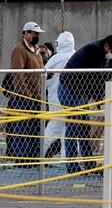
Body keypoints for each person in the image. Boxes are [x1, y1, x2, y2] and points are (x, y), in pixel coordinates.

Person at [58, 35, 112, 174]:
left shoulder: (103, 54)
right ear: (106, 46)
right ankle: (72, 166)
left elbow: (100, 78)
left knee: (83, 127)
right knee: (73, 126)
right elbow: (96, 78)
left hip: (81, 91)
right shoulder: (94, 51)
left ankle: (88, 163)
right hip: (69, 90)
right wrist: (101, 99)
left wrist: (100, 98)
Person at [9, 21, 45, 163]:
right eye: (34, 33)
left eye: (37, 34)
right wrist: (26, 93)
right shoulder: (19, 49)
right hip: (25, 97)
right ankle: (22, 158)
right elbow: (17, 74)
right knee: (22, 128)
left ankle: (33, 157)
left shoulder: (35, 49)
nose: (36, 36)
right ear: (26, 33)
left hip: (37, 96)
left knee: (35, 128)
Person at [43, 32, 76, 159]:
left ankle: (38, 155)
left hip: (55, 99)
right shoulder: (75, 56)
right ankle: (65, 158)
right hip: (73, 99)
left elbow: (43, 79)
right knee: (68, 131)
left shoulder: (56, 58)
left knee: (53, 130)